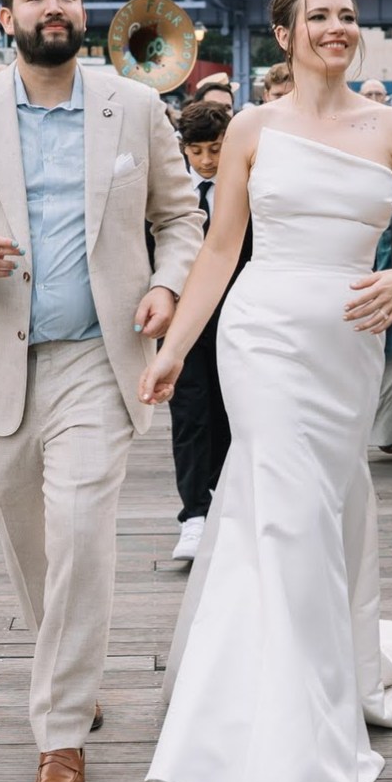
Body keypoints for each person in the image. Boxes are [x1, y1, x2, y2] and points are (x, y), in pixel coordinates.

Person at [140, 0, 392, 782]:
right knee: (284, 514)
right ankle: (289, 735)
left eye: (348, 17)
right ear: (285, 33)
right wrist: (173, 351)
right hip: (264, 335)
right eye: (319, 16)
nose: (337, 28)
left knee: (316, 506)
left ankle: (305, 678)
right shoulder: (251, 127)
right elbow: (217, 254)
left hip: (349, 342)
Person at [0, 0, 204, 782]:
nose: (53, 7)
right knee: (29, 545)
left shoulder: (135, 105)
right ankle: (68, 673)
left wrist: (164, 284)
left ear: (84, 11)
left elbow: (180, 217)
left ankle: (60, 734)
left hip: (96, 363)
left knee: (78, 536)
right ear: (7, 18)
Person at [166, 99, 247, 565]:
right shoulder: (174, 190)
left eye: (215, 149)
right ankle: (194, 513)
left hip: (239, 311)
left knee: (235, 410)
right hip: (184, 315)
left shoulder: (246, 185)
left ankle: (230, 505)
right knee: (190, 412)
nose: (208, 161)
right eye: (197, 151)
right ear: (184, 150)